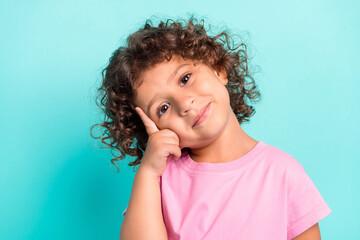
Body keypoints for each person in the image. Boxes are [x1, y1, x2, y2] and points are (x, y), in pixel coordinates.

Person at [91, 16, 331, 240]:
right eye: (163, 108)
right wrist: (148, 172)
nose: (185, 104)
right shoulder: (161, 181)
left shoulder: (283, 172)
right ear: (152, 129)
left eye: (185, 78)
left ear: (218, 69)